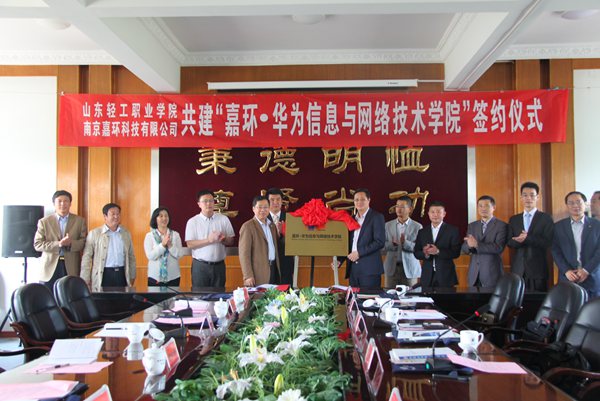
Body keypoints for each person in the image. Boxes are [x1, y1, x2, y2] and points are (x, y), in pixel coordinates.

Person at [33, 190, 87, 289]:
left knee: (69, 294)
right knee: (49, 295)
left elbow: (83, 242)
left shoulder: (79, 221)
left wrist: (71, 243)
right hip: (49, 267)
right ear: (54, 203)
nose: (63, 204)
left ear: (70, 203)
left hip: (71, 266)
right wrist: (59, 244)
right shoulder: (44, 222)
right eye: (59, 201)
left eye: (66, 201)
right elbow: (38, 244)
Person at [507, 182, 554, 291]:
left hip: (537, 270)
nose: (528, 198)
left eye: (532, 195)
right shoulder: (514, 219)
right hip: (518, 270)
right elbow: (509, 242)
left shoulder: (545, 218)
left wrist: (528, 238)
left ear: (538, 197)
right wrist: (519, 240)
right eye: (525, 195)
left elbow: (548, 242)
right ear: (521, 198)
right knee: (518, 300)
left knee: (537, 300)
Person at [552, 191, 600, 298]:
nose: (575, 205)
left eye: (578, 202)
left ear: (585, 204)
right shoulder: (558, 227)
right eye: (571, 203)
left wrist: (586, 270)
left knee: (592, 308)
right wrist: (566, 271)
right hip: (568, 278)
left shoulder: (597, 225)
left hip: (591, 279)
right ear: (567, 206)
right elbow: (555, 251)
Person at [185, 190, 235, 288]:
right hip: (200, 266)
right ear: (199, 204)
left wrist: (224, 239)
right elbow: (190, 244)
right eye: (205, 201)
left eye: (211, 201)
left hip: (219, 266)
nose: (208, 204)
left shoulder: (223, 219)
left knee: (219, 295)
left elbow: (231, 241)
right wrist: (209, 240)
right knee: (199, 295)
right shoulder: (193, 221)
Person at [80, 203, 136, 291]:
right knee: (102, 299)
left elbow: (131, 256)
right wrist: (85, 278)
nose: (116, 216)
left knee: (123, 298)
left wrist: (132, 275)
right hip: (104, 274)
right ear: (105, 216)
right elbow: (87, 257)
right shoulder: (95, 234)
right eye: (113, 214)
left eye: (118, 214)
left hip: (121, 273)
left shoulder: (125, 233)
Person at [461, 195, 508, 288]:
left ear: (494, 207)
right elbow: (464, 248)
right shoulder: (472, 226)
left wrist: (477, 245)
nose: (483, 208)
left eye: (486, 206)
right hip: (474, 275)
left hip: (491, 274)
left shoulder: (501, 225)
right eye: (480, 206)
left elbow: (499, 247)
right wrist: (469, 246)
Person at [343, 188, 386, 288]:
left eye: (362, 199)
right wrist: (340, 260)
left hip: (370, 270)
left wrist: (359, 253)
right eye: (356, 200)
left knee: (368, 297)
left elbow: (379, 242)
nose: (359, 202)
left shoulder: (377, 217)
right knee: (354, 297)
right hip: (353, 269)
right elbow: (348, 243)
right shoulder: (351, 219)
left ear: (369, 200)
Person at [414, 201, 461, 288]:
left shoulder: (452, 230)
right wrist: (426, 253)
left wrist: (438, 251)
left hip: (446, 276)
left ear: (444, 214)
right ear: (428, 214)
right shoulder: (422, 232)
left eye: (439, 212)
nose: (435, 215)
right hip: (427, 276)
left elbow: (456, 253)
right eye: (432, 212)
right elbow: (416, 253)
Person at [239, 195, 280, 286]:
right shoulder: (248, 226)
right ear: (253, 209)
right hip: (258, 272)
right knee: (259, 295)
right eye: (260, 207)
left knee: (273, 294)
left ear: (269, 209)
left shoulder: (272, 226)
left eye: (265, 207)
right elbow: (244, 254)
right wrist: (248, 275)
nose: (263, 210)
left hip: (273, 268)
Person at [383, 196, 422, 288]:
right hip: (391, 268)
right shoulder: (387, 225)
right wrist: (392, 244)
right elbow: (382, 247)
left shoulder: (417, 227)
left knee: (411, 295)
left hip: (410, 269)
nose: (398, 209)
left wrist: (405, 243)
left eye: (402, 207)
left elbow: (419, 248)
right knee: (389, 294)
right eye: (397, 206)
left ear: (410, 209)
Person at [144, 207, 183, 287]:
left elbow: (180, 255)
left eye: (166, 216)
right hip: (154, 277)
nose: (164, 218)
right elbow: (150, 256)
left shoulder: (175, 235)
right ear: (155, 219)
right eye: (161, 216)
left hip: (173, 277)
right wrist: (162, 245)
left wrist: (170, 246)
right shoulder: (149, 236)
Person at [267, 188, 294, 286]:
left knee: (286, 291)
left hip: (285, 262)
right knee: (269, 291)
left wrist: (282, 233)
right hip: (268, 263)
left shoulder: (290, 218)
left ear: (282, 201)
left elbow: (294, 240)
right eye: (272, 200)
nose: (275, 202)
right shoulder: (263, 218)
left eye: (278, 199)